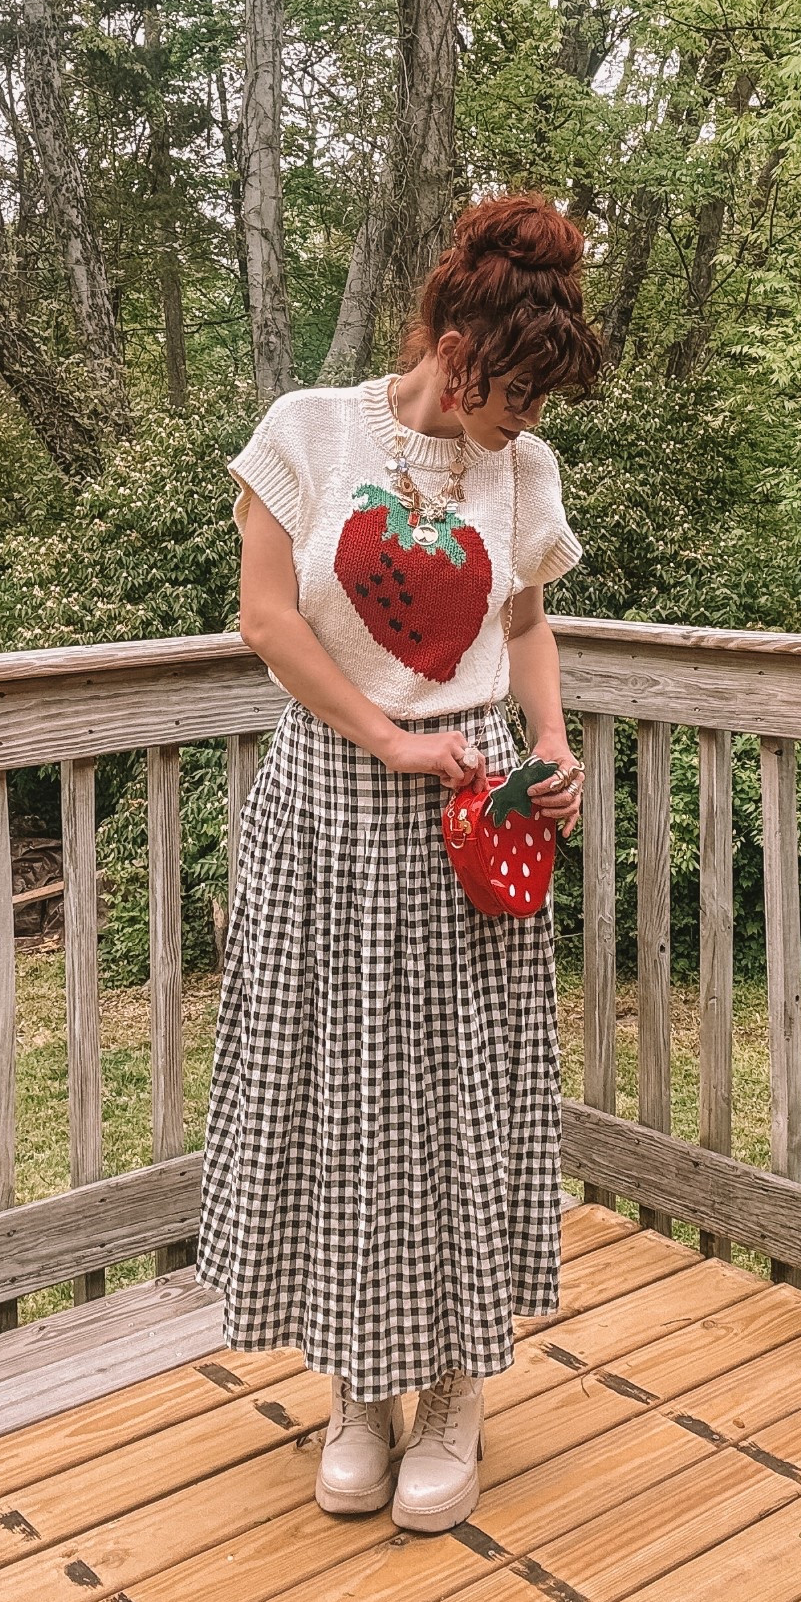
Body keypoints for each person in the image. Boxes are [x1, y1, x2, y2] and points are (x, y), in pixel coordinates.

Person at [191, 190, 604, 1534]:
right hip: (330, 803)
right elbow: (265, 618)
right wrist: (382, 735)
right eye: (518, 390)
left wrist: (554, 750)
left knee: (461, 1101)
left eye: (544, 400)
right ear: (455, 337)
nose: (526, 421)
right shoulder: (308, 433)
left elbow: (528, 625)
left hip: (479, 809)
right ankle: (359, 1391)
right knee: (343, 1092)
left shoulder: (521, 473)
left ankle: (454, 1396)